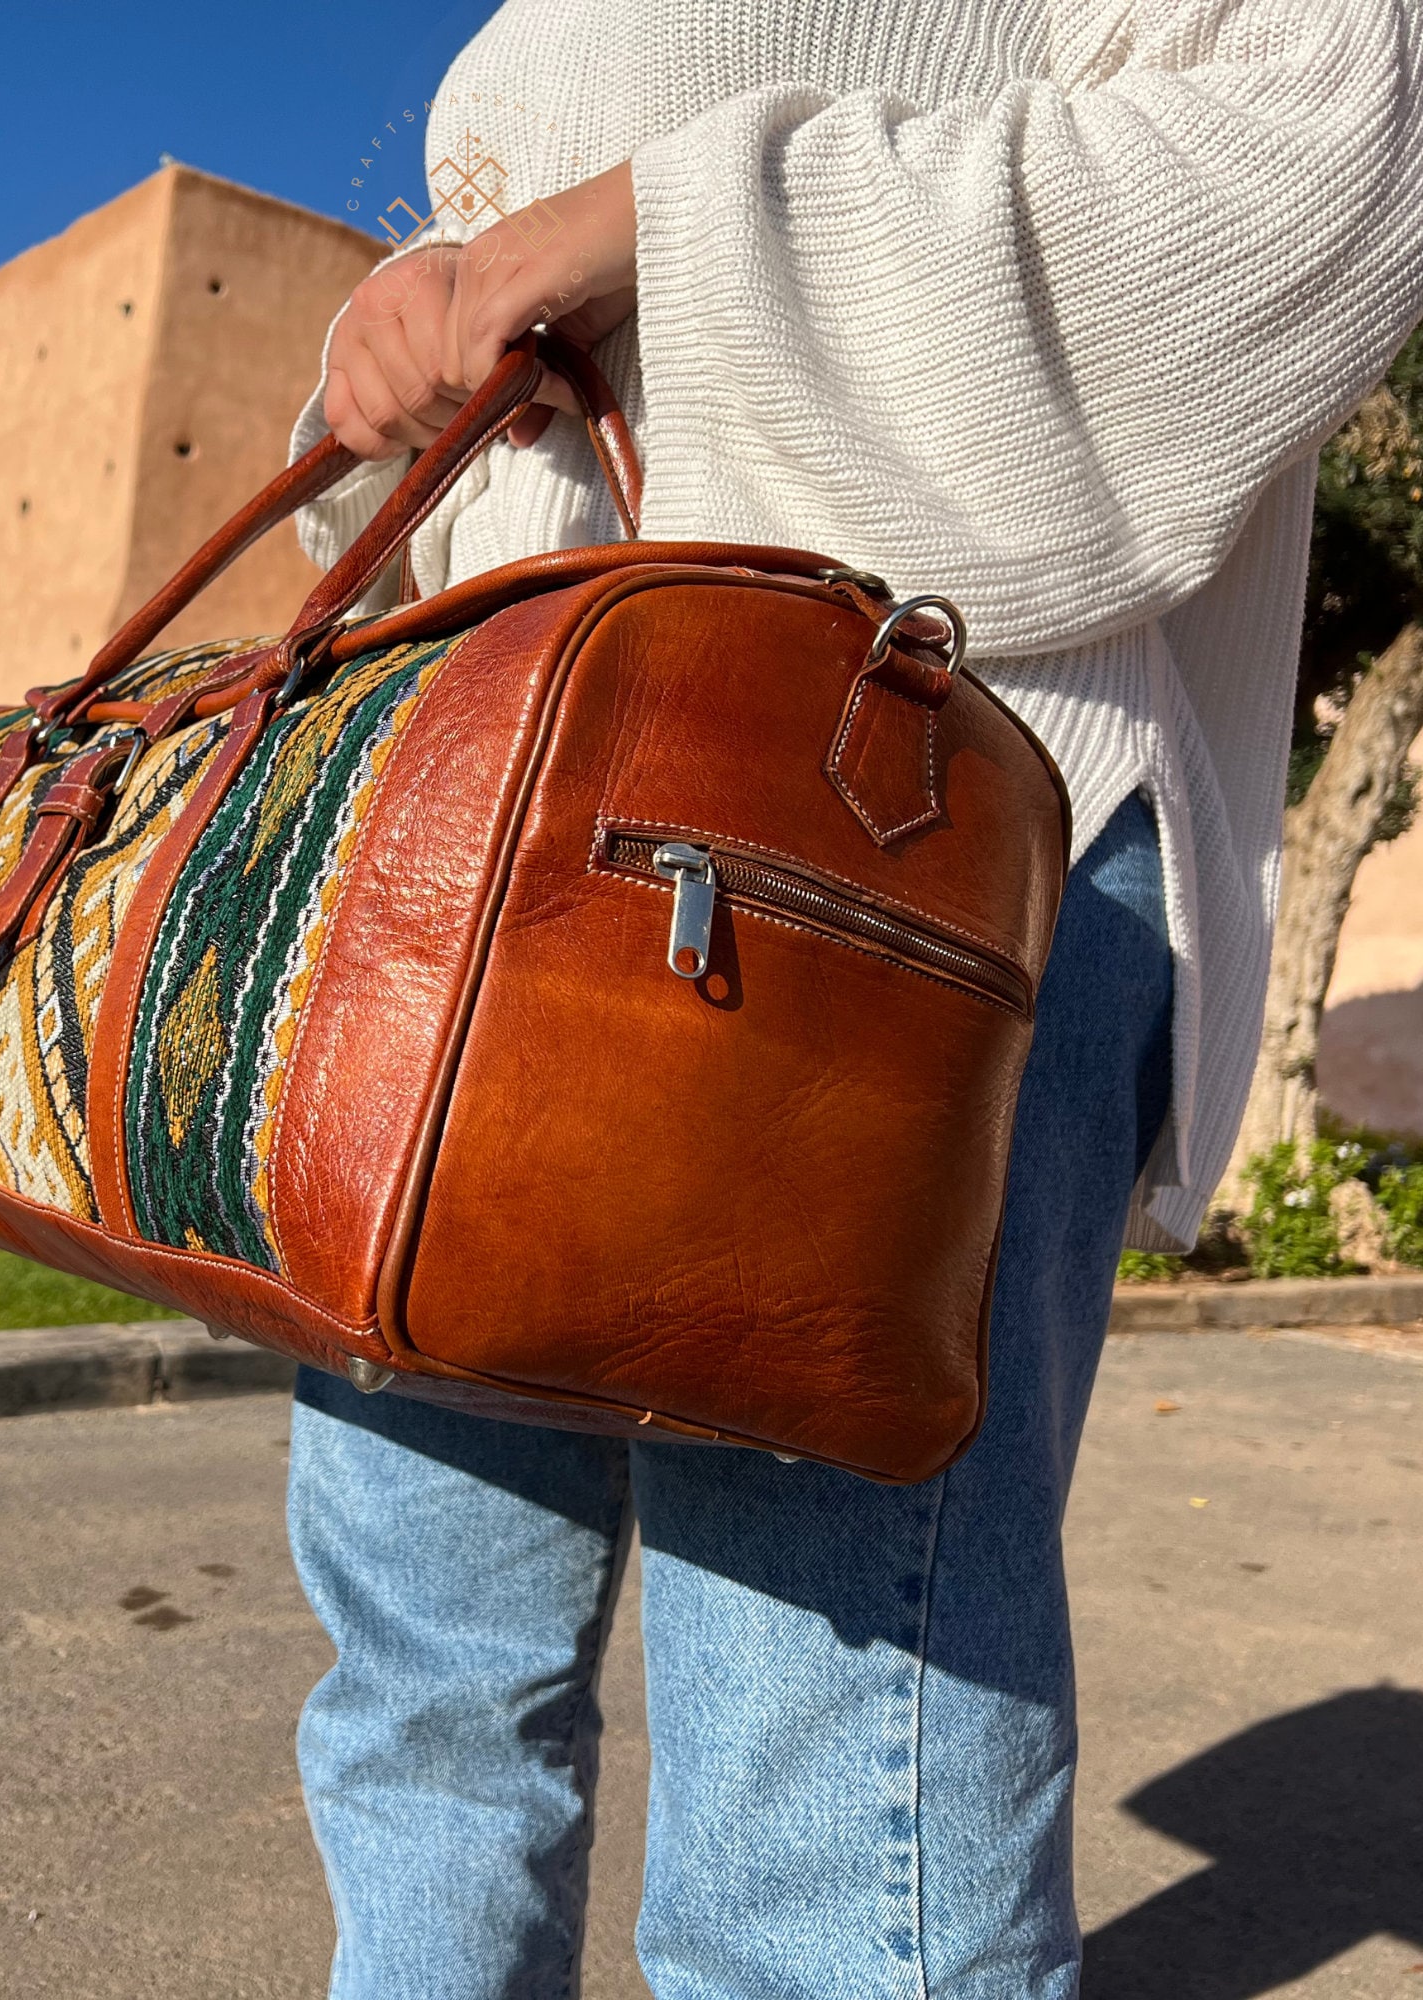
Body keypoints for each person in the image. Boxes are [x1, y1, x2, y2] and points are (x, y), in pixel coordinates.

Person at [281, 3, 1423, 1994]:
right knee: (423, 1708)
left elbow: (1310, 172)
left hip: (889, 852)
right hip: (472, 873)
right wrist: (395, 330)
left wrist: (645, 232)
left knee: (825, 1832)